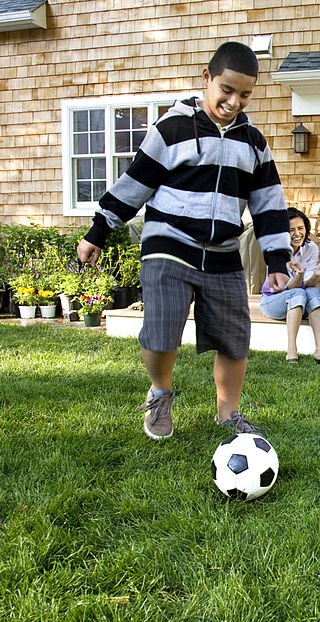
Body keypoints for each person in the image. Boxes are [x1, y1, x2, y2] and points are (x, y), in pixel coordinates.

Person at [77, 41, 290, 441]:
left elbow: (269, 204)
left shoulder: (253, 142)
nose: (233, 102)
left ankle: (227, 414)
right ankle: (160, 391)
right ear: (206, 79)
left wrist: (277, 260)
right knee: (162, 330)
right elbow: (136, 182)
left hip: (223, 250)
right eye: (226, 90)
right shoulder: (172, 128)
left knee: (234, 339)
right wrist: (99, 230)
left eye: (245, 94)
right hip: (169, 243)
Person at [259, 207, 320, 365]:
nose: (297, 233)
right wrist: (299, 275)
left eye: (301, 228)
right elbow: (286, 288)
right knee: (298, 293)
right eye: (291, 230)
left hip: (297, 301)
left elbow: (308, 284)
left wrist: (316, 274)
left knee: (313, 292)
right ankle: (292, 350)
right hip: (272, 301)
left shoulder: (311, 248)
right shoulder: (275, 251)